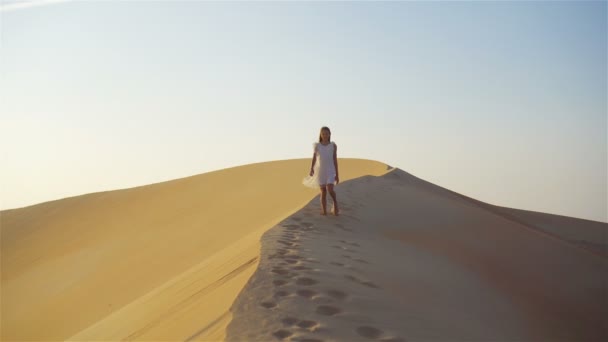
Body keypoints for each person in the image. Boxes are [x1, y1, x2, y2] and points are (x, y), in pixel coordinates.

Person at [302, 126, 340, 216]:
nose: (325, 135)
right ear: (321, 135)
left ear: (330, 134)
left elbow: (335, 159)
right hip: (320, 171)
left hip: (330, 170)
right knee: (323, 191)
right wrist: (311, 168)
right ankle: (324, 210)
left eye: (326, 133)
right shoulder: (317, 146)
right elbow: (314, 158)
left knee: (330, 189)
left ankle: (335, 203)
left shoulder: (333, 146)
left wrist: (337, 174)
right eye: (323, 134)